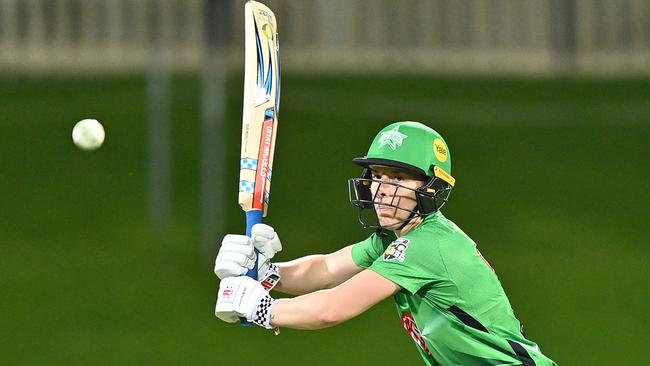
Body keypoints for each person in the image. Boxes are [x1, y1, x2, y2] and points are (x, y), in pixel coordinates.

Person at [214, 121, 557, 366]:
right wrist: (270, 272)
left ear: (431, 188)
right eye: (377, 176)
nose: (381, 189)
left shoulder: (426, 245)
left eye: (398, 178)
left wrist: (263, 309)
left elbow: (332, 309)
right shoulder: (394, 239)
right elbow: (326, 269)